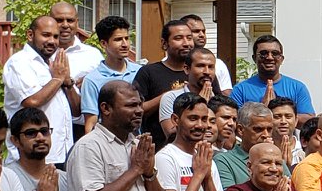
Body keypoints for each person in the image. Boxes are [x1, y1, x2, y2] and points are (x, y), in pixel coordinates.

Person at [2, 13, 76, 165]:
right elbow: (31, 101)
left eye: (56, 37)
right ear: (30, 35)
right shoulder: (20, 62)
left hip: (62, 154)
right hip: (30, 158)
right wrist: (57, 79)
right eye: (46, 35)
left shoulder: (55, 64)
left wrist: (68, 83)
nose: (52, 41)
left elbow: (77, 111)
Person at [134, 17, 198, 145]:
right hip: (158, 147)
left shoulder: (200, 72)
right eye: (178, 38)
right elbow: (137, 109)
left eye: (189, 38)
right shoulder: (148, 72)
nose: (186, 43)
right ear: (164, 43)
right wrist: (168, 95)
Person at [231, 34, 317, 120]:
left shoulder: (297, 87)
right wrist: (262, 110)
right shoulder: (240, 90)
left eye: (275, 53)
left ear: (281, 59)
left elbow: (309, 119)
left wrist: (281, 114)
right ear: (254, 58)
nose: (269, 57)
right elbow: (233, 119)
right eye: (263, 53)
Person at [80, 15, 141, 135]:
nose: (125, 44)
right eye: (118, 40)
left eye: (127, 38)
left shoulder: (140, 71)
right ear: (104, 43)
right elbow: (91, 123)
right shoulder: (92, 80)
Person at [218, 101, 273, 190]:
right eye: (258, 129)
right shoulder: (224, 160)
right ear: (240, 129)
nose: (266, 135)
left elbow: (290, 190)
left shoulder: (275, 157)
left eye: (269, 129)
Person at [51, 1, 104, 91]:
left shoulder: (93, 55)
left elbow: (106, 85)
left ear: (77, 23)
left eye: (70, 20)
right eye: (59, 20)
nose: (65, 25)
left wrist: (91, 81)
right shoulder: (39, 55)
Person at [181, 12, 235, 89]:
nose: (202, 35)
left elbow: (226, 93)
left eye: (203, 31)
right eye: (196, 31)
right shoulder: (170, 65)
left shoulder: (219, 64)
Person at [270, 96, 305, 166]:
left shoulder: (304, 149)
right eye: (277, 117)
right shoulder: (262, 150)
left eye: (288, 117)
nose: (283, 121)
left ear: (296, 121)